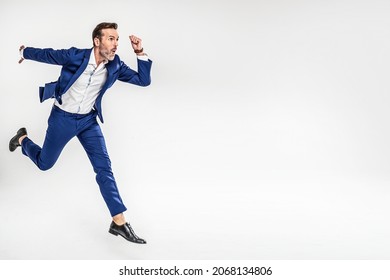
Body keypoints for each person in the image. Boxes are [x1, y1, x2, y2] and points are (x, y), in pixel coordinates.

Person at [9, 22, 152, 244]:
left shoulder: (115, 66)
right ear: (97, 41)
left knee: (104, 169)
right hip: (62, 118)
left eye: (117, 40)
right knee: (45, 164)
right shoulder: (76, 56)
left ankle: (119, 222)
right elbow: (49, 55)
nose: (116, 44)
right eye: (111, 39)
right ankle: (22, 139)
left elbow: (144, 81)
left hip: (88, 121)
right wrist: (24, 52)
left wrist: (139, 52)